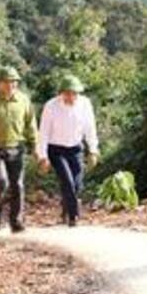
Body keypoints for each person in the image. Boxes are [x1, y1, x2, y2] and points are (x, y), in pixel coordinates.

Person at [0, 66, 43, 233]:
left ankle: (16, 221)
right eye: (6, 82)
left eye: (13, 82)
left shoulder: (23, 100)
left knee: (18, 185)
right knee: (0, 182)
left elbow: (31, 125)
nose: (10, 85)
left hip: (17, 148)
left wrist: (35, 146)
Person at [38, 74, 100, 227]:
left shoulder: (85, 104)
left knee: (77, 184)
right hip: (56, 150)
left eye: (75, 93)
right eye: (68, 93)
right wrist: (43, 156)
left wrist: (93, 150)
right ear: (61, 93)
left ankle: (65, 210)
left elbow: (90, 127)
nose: (71, 97)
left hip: (76, 148)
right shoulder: (51, 106)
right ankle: (74, 216)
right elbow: (43, 132)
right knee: (67, 181)